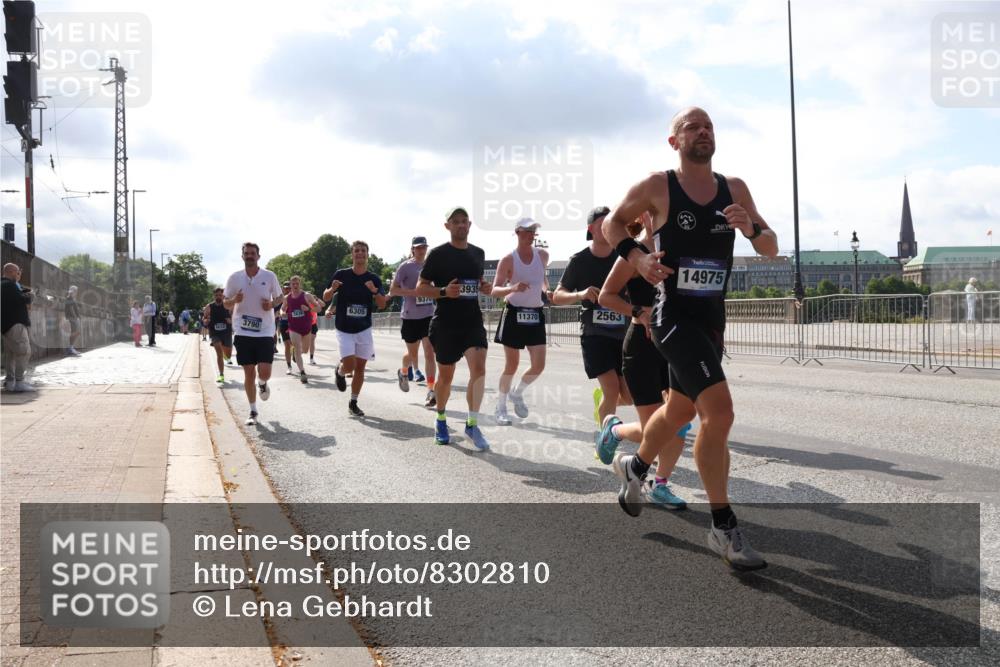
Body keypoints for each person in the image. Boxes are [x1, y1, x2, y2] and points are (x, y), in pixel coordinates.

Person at [602, 106, 778, 571]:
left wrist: (752, 227)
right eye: (692, 127)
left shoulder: (733, 188)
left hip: (711, 318)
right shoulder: (658, 186)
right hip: (671, 314)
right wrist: (638, 259)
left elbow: (771, 247)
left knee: (678, 408)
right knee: (718, 412)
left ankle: (636, 466)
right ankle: (722, 526)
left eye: (709, 127)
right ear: (674, 141)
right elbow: (612, 224)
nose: (703, 132)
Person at [596, 212, 691, 509]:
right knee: (658, 427)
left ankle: (660, 484)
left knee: (680, 422)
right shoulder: (633, 254)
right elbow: (606, 297)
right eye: (655, 211)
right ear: (644, 216)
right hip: (642, 347)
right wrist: (638, 312)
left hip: (674, 345)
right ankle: (615, 431)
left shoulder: (676, 248)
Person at [415, 207, 493, 449]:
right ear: (447, 226)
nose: (460, 225)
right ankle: (440, 418)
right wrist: (443, 292)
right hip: (446, 323)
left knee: (479, 370)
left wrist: (484, 287)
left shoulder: (478, 253)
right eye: (455, 221)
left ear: (469, 225)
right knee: (445, 378)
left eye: (464, 221)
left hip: (472, 321)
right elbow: (420, 288)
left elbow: (477, 282)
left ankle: (472, 424)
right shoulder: (438, 255)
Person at [552, 206, 633, 428]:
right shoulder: (579, 260)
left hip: (623, 334)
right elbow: (557, 296)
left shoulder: (624, 257)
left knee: (630, 396)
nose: (607, 227)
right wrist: (581, 294)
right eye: (602, 224)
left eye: (611, 222)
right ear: (591, 229)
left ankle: (605, 404)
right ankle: (604, 438)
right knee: (611, 388)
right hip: (594, 334)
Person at [491, 218, 551, 424]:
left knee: (539, 365)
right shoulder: (508, 259)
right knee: (512, 365)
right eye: (526, 231)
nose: (530, 235)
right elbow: (494, 290)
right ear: (517, 232)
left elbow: (542, 278)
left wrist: (547, 289)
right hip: (514, 313)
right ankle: (500, 408)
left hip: (535, 313)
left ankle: (517, 392)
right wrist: (513, 287)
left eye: (533, 231)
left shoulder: (542, 255)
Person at [323, 241, 387, 416]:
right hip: (344, 328)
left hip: (364, 328)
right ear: (352, 254)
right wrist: (333, 288)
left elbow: (382, 304)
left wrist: (374, 291)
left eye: (363, 251)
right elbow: (326, 296)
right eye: (356, 251)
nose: (360, 253)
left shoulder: (374, 278)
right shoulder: (342, 274)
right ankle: (340, 370)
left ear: (367, 254)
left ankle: (353, 402)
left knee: (360, 368)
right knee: (350, 365)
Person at [224, 241, 284, 426]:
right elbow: (225, 303)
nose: (249, 256)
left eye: (252, 253)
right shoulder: (234, 278)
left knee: (264, 372)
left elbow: (280, 297)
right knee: (248, 372)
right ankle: (253, 411)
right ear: (242, 256)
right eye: (246, 253)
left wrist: (271, 304)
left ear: (258, 256)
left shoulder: (269, 276)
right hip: (243, 330)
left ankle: (263, 383)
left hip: (265, 330)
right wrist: (235, 299)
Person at [389, 236, 437, 407]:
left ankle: (431, 390)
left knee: (430, 352)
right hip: (410, 316)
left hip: (428, 314)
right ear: (412, 250)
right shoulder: (405, 267)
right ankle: (403, 372)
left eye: (424, 247)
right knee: (413, 354)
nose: (421, 250)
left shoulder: (431, 265)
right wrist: (412, 293)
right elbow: (393, 289)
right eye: (418, 247)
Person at [283, 276, 324, 384]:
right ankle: (302, 372)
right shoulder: (287, 298)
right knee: (297, 347)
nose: (295, 286)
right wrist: (283, 313)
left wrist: (309, 309)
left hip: (306, 327)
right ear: (290, 285)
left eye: (297, 284)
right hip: (293, 327)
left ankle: (296, 354)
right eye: (293, 284)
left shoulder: (307, 296)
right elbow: (283, 309)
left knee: (305, 350)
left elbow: (319, 308)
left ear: (300, 284)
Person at [1, 263, 34, 392]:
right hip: (16, 324)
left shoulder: (4, 285)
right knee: (24, 352)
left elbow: (15, 297)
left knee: (11, 355)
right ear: (11, 272)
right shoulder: (9, 285)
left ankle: (10, 382)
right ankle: (19, 382)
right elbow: (22, 300)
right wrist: (31, 295)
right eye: (18, 272)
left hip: (7, 326)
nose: (19, 275)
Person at [203, 288, 233, 384]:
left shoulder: (228, 306)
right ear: (214, 296)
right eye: (216, 295)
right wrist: (206, 321)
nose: (218, 297)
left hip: (226, 332)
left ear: (223, 296)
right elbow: (205, 318)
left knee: (227, 355)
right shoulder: (209, 306)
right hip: (214, 332)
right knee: (219, 353)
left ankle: (226, 355)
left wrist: (230, 320)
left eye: (220, 295)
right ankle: (221, 375)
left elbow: (235, 316)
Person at [65, 285, 82, 356]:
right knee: (75, 332)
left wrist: (78, 316)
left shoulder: (71, 298)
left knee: (76, 332)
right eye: (76, 291)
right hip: (72, 317)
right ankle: (70, 349)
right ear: (73, 291)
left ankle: (71, 348)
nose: (77, 293)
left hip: (73, 317)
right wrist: (75, 317)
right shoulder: (69, 298)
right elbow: (71, 309)